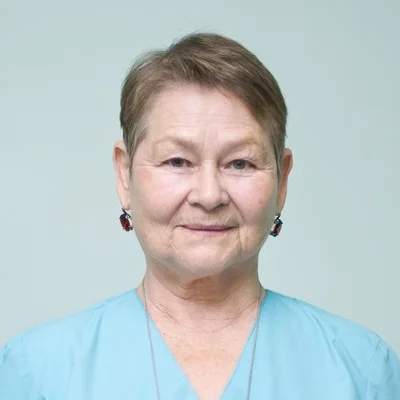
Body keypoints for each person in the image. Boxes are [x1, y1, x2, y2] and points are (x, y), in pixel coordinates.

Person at [0, 32, 399, 400]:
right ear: (124, 174)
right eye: (177, 161)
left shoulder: (363, 371)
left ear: (282, 180)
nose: (209, 196)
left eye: (240, 163)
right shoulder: (36, 374)